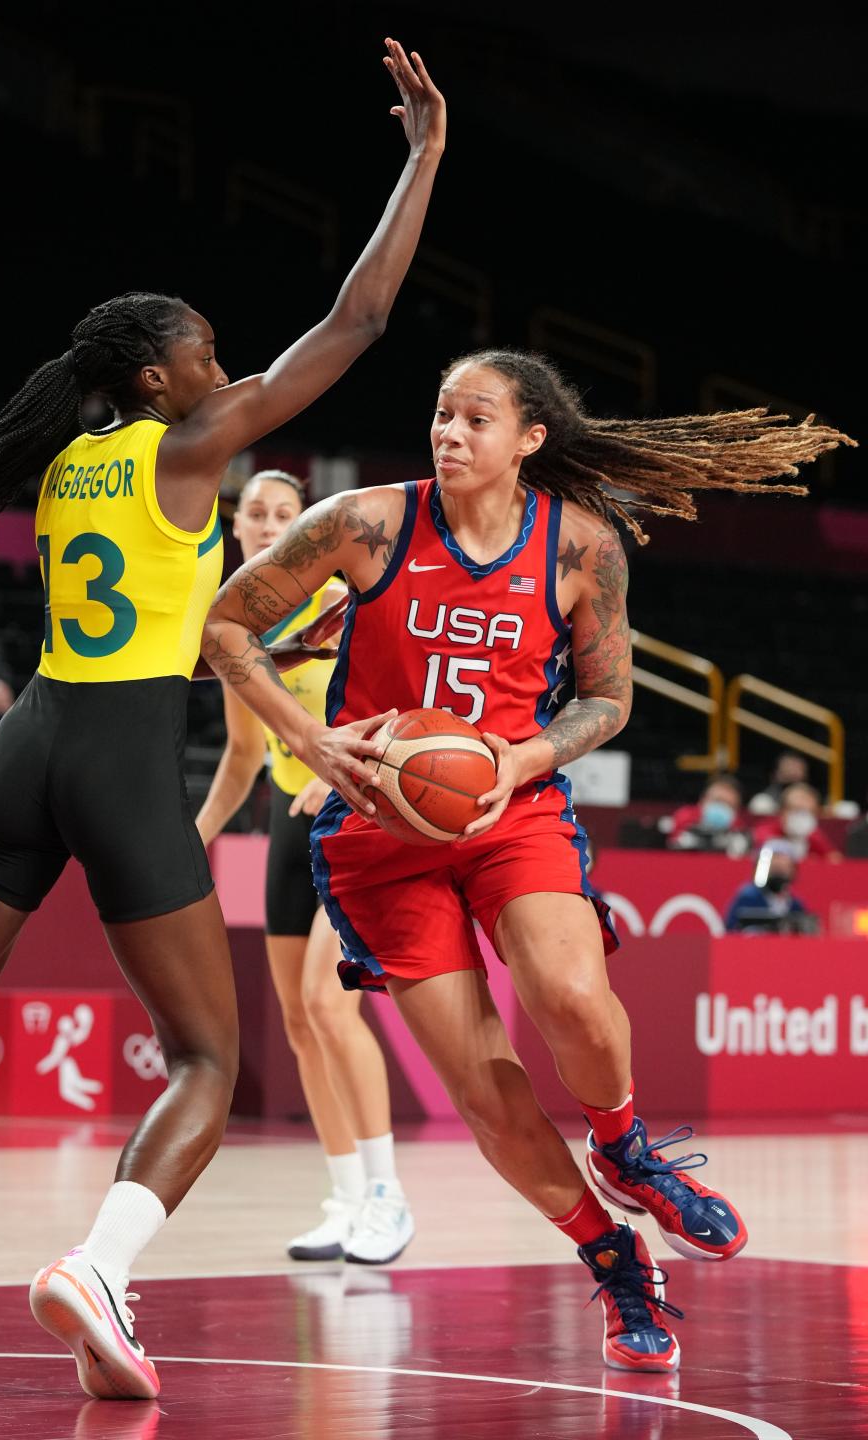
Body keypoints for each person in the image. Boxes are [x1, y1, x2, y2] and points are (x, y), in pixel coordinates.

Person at [0, 37, 445, 1400]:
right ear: (158, 380)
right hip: (120, 754)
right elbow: (358, 325)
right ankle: (98, 1268)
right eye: (208, 353)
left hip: (27, 743)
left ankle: (99, 1288)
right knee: (208, 1054)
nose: (227, 367)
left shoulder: (70, 458)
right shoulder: (188, 444)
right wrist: (426, 156)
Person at [203, 347, 850, 1371]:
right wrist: (313, 740)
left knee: (571, 995)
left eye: (475, 418)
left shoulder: (580, 547)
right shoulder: (365, 523)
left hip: (510, 804)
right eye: (440, 413)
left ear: (531, 439)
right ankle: (612, 1260)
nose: (449, 433)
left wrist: (524, 755)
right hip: (379, 833)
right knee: (483, 1084)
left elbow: (608, 698)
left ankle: (626, 1147)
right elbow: (226, 624)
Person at [196, 469, 414, 1264]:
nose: (266, 524)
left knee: (329, 1003)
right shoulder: (233, 623)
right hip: (286, 828)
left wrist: (338, 770)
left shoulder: (345, 598)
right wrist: (197, 835)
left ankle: (389, 1196)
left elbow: (403, 703)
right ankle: (348, 1198)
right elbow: (243, 754)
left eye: (284, 513)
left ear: (306, 525)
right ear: (237, 526)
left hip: (355, 815)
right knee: (297, 1022)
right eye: (255, 513)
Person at [724, 842, 816, 934]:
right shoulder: (747, 898)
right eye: (775, 869)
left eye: (783, 870)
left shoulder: (795, 905)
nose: (779, 875)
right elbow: (731, 931)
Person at [752, 781, 842, 862]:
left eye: (807, 812)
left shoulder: (814, 834)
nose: (800, 818)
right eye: (796, 810)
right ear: (783, 811)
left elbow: (834, 858)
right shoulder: (766, 830)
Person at [667, 774, 749, 856]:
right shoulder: (684, 817)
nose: (722, 807)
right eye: (718, 801)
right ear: (703, 800)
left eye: (729, 805)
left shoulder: (741, 831)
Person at [747, 750, 811, 815]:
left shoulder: (811, 800)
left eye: (798, 769)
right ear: (775, 775)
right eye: (789, 768)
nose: (793, 773)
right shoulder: (764, 801)